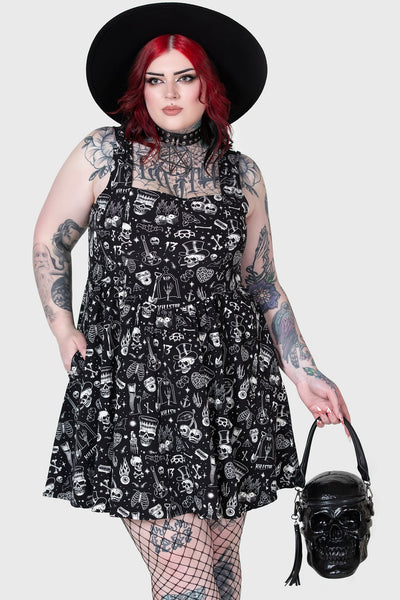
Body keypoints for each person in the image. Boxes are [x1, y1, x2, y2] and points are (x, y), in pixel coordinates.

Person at [33, 3, 350, 598]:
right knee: (190, 586)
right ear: (140, 88)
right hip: (136, 393)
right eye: (156, 80)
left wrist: (305, 373)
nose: (170, 94)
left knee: (223, 578)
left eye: (185, 77)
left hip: (231, 390)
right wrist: (61, 326)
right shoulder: (103, 154)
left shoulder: (241, 175)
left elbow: (262, 282)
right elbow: (51, 238)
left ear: (211, 86)